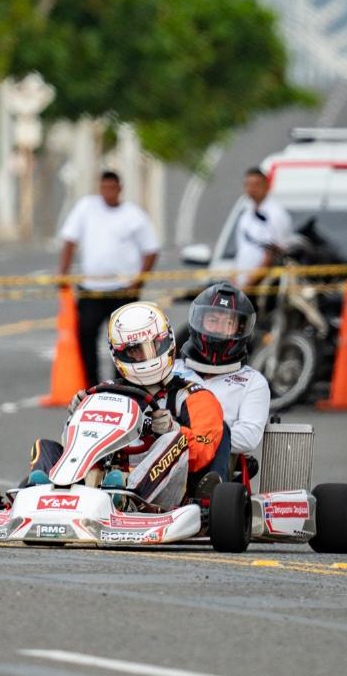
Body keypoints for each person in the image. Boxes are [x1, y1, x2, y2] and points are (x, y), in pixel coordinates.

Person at [25, 302, 227, 507]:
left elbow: (203, 452)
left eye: (154, 346)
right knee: (45, 447)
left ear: (168, 341)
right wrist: (78, 414)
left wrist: (172, 428)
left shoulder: (194, 396)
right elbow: (77, 445)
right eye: (134, 350)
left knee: (175, 440)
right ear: (119, 354)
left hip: (164, 497)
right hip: (104, 480)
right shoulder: (105, 391)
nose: (145, 356)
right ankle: (42, 496)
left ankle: (127, 498)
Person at [57, 171, 161, 387]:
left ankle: (122, 382)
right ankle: (91, 383)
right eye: (104, 188)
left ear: (120, 188)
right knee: (86, 334)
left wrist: (138, 281)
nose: (108, 192)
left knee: (125, 339)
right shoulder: (86, 208)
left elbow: (151, 249)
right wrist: (63, 272)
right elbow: (69, 240)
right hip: (92, 289)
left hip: (122, 290)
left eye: (112, 188)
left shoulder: (133, 215)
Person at [176, 283, 270, 474]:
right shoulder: (172, 370)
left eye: (227, 323)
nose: (218, 330)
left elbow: (249, 437)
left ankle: (210, 487)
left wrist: (199, 436)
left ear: (240, 330)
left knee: (221, 428)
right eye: (212, 321)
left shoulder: (253, 382)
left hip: (215, 470)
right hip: (165, 459)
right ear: (198, 321)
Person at [231, 168, 293, 291]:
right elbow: (242, 251)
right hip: (242, 283)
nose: (252, 189)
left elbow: (273, 255)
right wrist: (234, 279)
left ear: (267, 187)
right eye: (248, 185)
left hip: (264, 287)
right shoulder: (246, 215)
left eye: (256, 185)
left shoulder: (275, 214)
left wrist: (249, 285)